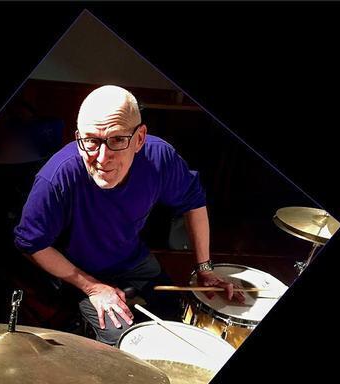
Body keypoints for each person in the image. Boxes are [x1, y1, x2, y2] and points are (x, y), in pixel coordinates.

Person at [13, 85, 244, 345]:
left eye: (117, 140)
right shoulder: (56, 177)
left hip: (132, 257)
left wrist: (205, 269)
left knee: (176, 318)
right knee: (126, 342)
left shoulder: (160, 158)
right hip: (79, 271)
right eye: (91, 141)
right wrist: (93, 287)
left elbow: (194, 201)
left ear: (140, 138)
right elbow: (31, 243)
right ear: (78, 137)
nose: (102, 158)